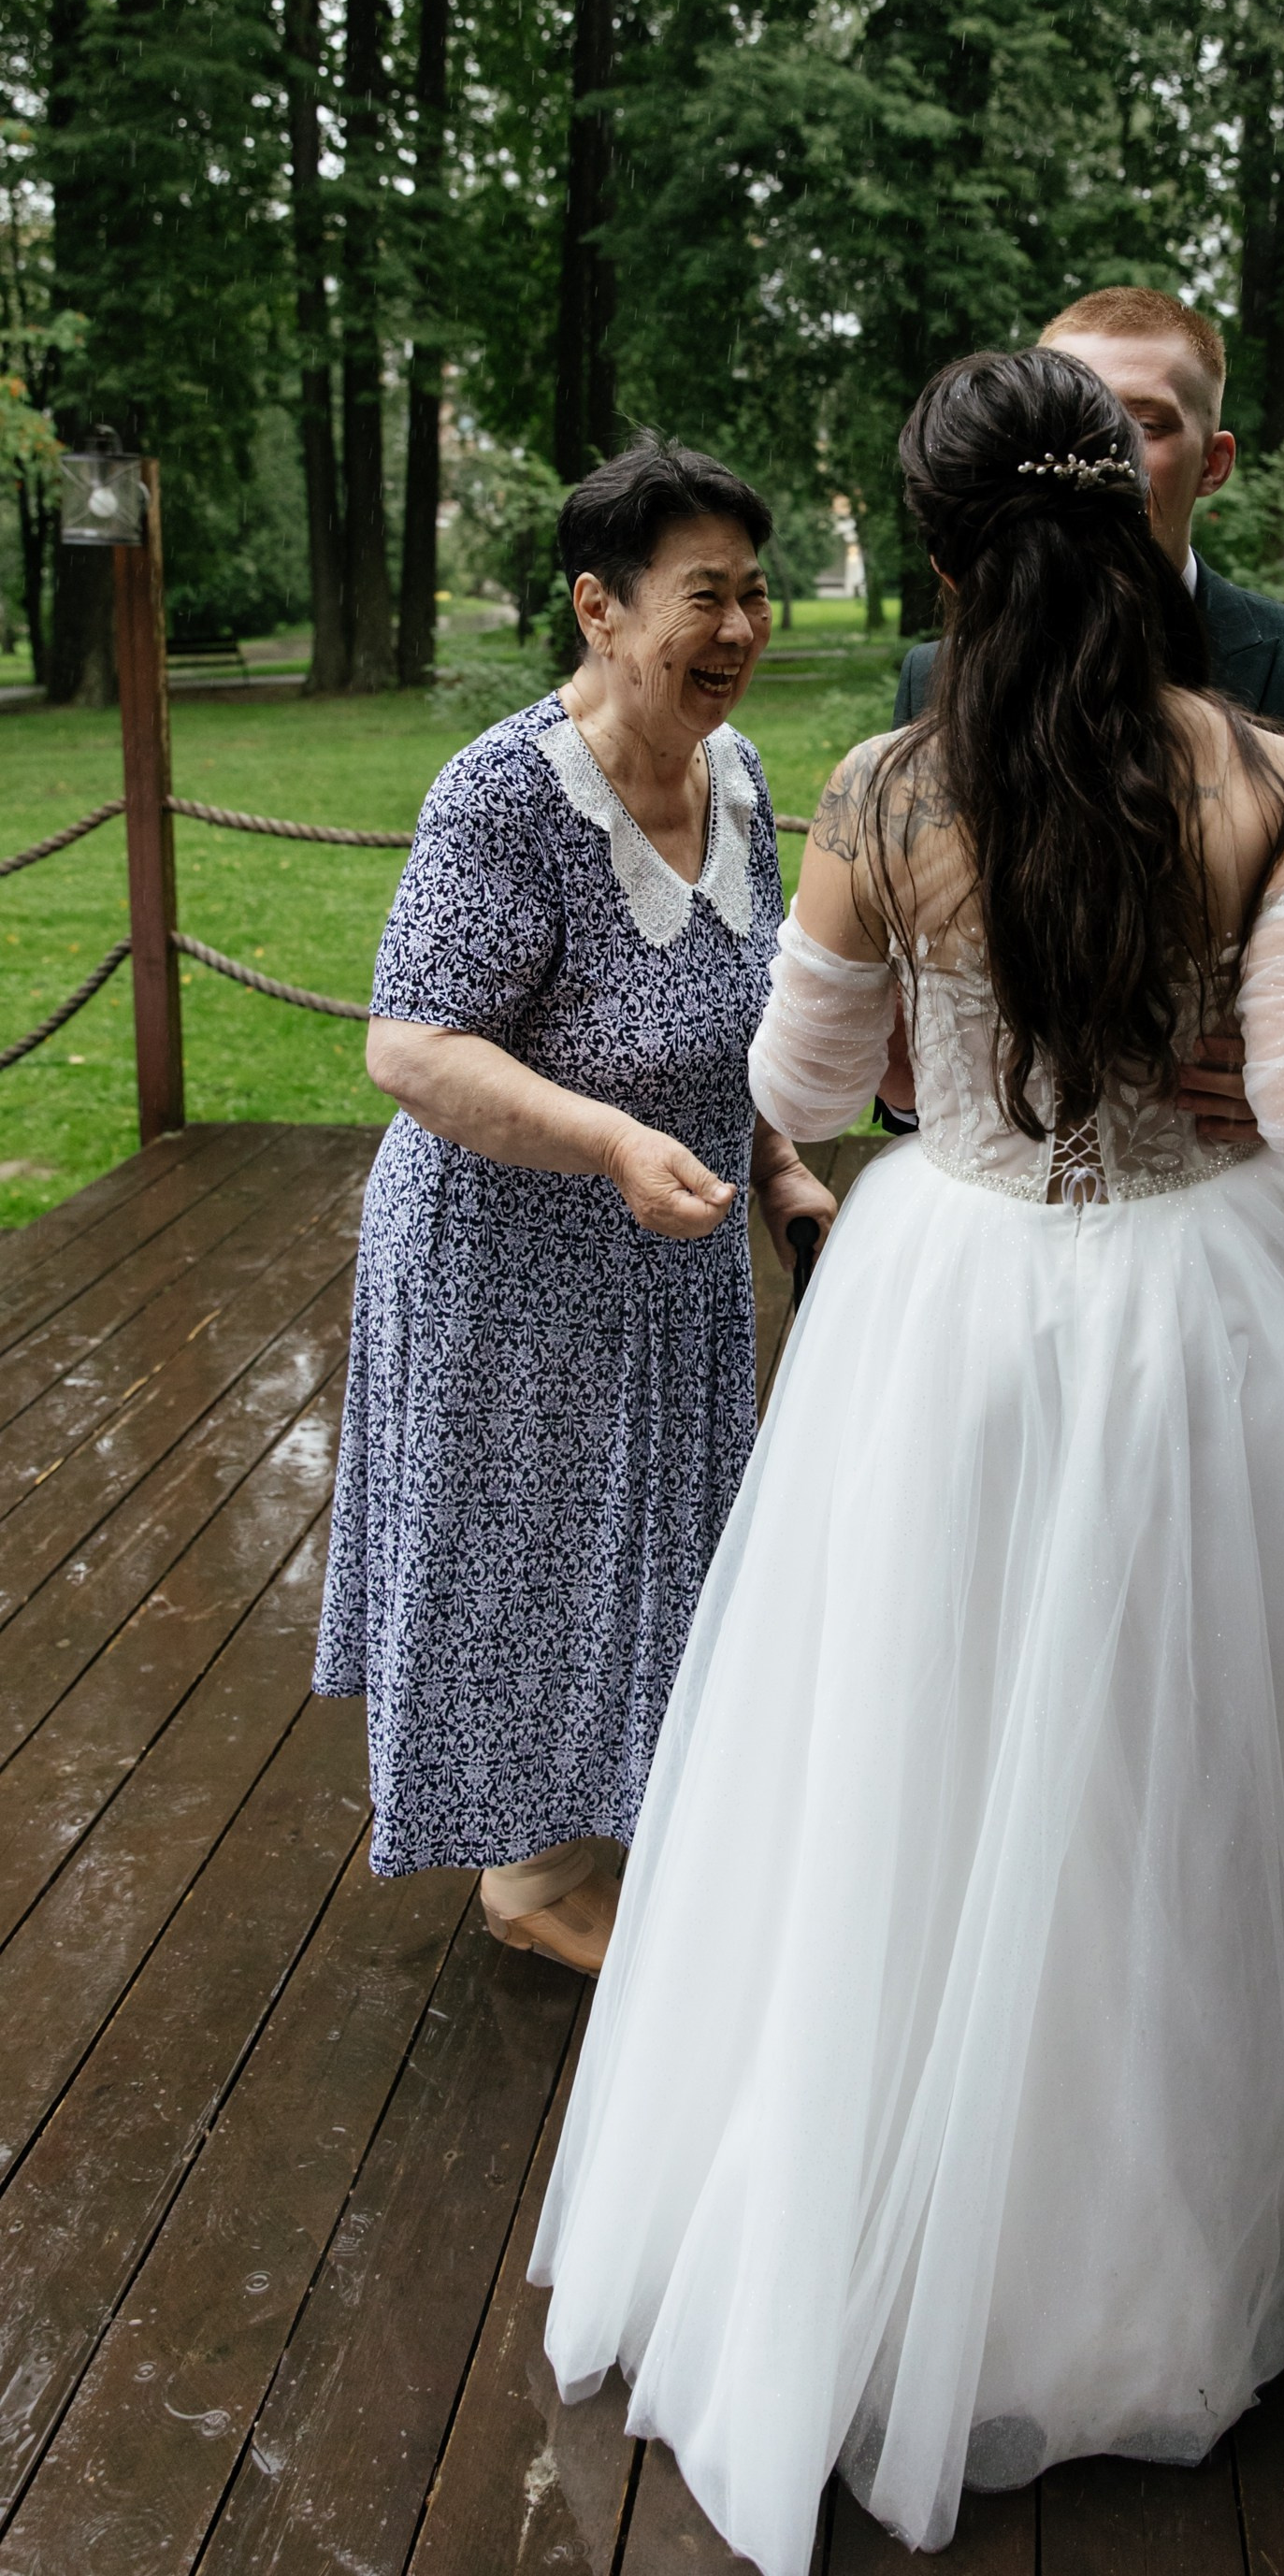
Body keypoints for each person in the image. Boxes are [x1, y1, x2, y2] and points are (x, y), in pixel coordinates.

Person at [532, 351, 1284, 2574]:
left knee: (916, 1761)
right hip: (1201, 1328)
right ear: (1137, 523)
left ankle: (881, 2219)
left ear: (945, 552)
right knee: (1187, 1784)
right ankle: (1145, 2262)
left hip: (943, 1316)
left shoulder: (880, 789)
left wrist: (955, 1076)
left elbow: (803, 1073)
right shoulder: (1267, 775)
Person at [313, 436, 837, 1978]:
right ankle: (527, 1878)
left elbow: (733, 1013)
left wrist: (786, 1168)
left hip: (666, 1255)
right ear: (599, 608)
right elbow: (408, 1044)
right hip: (508, 1259)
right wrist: (609, 1141)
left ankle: (631, 1807)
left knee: (656, 1541)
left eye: (756, 595)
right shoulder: (503, 794)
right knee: (525, 1558)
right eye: (703, 597)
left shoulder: (735, 774)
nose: (738, 631)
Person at [892, 286, 1284, 1056]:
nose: (1106, 458)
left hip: (1246, 1148)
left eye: (1141, 426)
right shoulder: (934, 674)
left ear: (1214, 464)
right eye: (1074, 426)